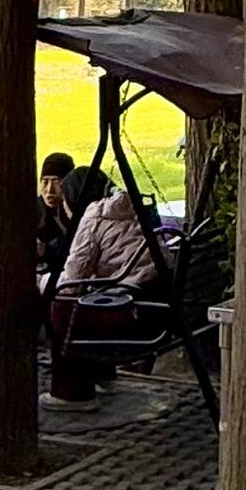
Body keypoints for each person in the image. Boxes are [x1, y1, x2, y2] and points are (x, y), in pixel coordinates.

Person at [47, 169, 167, 400]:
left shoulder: (93, 218)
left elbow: (71, 283)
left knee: (63, 304)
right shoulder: (131, 208)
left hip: (134, 315)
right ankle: (101, 374)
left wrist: (40, 282)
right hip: (159, 306)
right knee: (90, 295)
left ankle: (71, 393)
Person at [36, 149, 77, 274]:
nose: (50, 190)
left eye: (56, 182)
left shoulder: (78, 209)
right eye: (45, 182)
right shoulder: (34, 211)